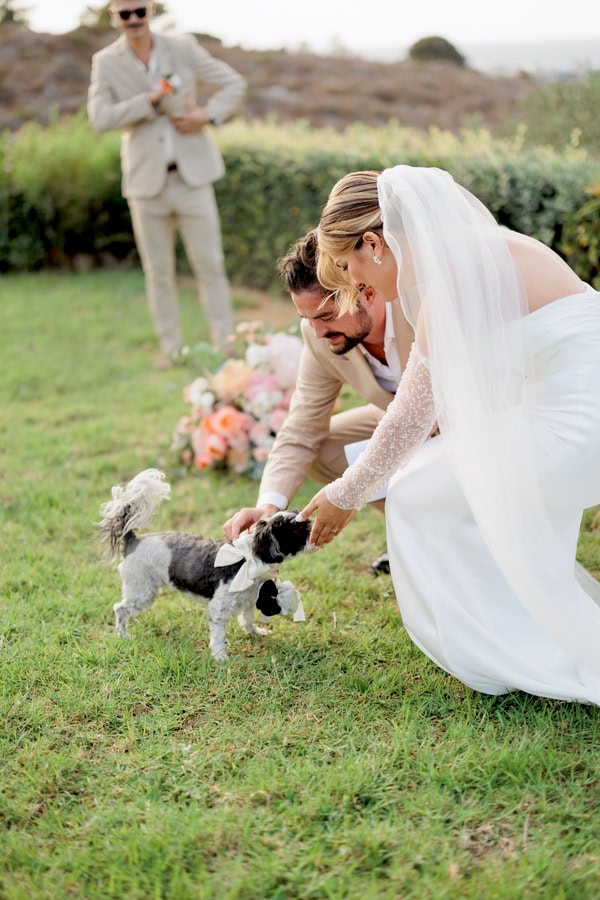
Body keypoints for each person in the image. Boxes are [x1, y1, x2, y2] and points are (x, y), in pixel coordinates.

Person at [299, 165, 600, 704]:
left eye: (350, 267)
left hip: (576, 431)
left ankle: (505, 649)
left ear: (375, 243)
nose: (359, 287)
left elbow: (411, 418)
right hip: (567, 414)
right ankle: (511, 620)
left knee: (416, 493)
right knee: (437, 475)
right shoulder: (484, 251)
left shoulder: (452, 283)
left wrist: (345, 493)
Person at [223, 229, 417, 574]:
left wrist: (348, 492)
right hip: (401, 424)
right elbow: (301, 430)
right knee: (325, 447)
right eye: (307, 320)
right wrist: (267, 508)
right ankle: (416, 533)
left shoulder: (417, 307)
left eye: (325, 317)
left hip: (473, 425)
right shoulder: (319, 336)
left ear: (367, 291)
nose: (316, 332)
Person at [87, 1, 246, 369]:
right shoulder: (106, 62)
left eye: (139, 10)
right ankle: (172, 350)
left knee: (211, 265)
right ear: (114, 15)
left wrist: (207, 114)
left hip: (193, 178)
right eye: (124, 13)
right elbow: (99, 119)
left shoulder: (183, 47)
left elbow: (233, 83)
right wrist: (148, 101)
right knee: (158, 272)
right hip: (146, 185)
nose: (133, 20)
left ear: (151, 10)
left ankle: (227, 344)